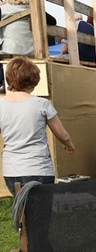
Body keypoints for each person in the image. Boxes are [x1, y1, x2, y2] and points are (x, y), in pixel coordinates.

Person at [0, 56, 74, 196]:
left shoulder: (1, 104)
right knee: (41, 214)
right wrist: (70, 145)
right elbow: (62, 135)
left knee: (22, 211)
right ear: (33, 80)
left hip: (11, 170)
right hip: (38, 168)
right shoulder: (42, 104)